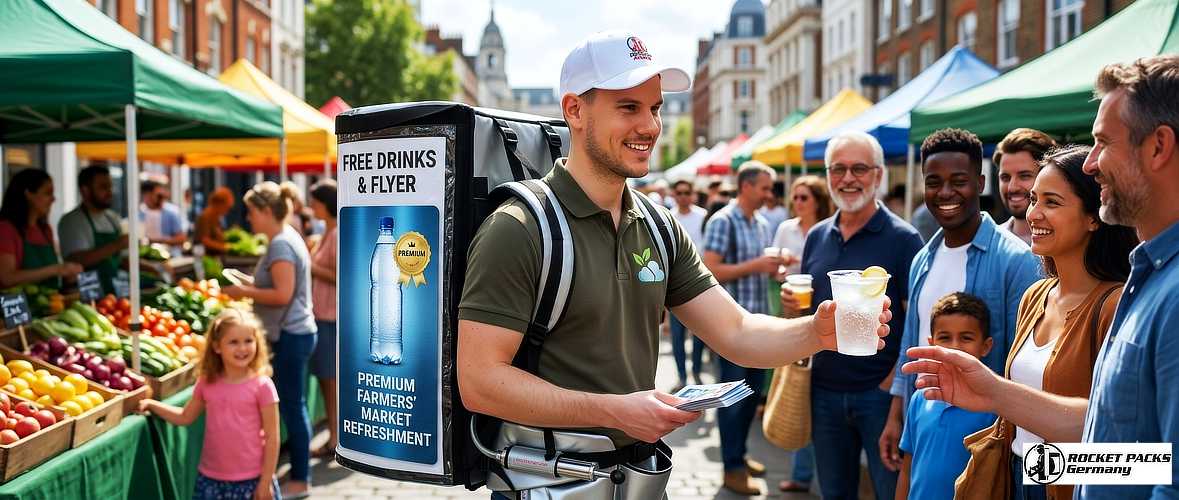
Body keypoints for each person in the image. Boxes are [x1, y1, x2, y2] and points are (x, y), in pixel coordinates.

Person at [457, 31, 893, 500]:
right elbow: (480, 383)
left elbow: (738, 333)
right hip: (543, 484)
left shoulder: (659, 225)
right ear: (575, 111)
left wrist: (817, 333)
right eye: (629, 107)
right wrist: (615, 411)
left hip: (639, 482)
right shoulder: (520, 227)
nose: (650, 125)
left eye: (656, 108)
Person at [901, 55, 1179, 499]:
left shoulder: (1152, 292)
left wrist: (1044, 466)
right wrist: (996, 397)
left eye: (1103, 142)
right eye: (1033, 199)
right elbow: (1122, 440)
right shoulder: (1146, 279)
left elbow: (1162, 473)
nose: (1092, 163)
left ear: (1159, 146)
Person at [946, 145, 1134, 500]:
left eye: (1052, 202)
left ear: (1094, 217)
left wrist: (1044, 464)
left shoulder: (1115, 305)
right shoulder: (1035, 296)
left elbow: (1125, 442)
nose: (1034, 213)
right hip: (1015, 475)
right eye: (1034, 199)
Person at [880, 128, 1041, 473]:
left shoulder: (1016, 260)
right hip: (924, 430)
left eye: (959, 180)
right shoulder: (922, 258)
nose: (946, 192)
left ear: (980, 183)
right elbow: (911, 342)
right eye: (934, 182)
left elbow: (1023, 367)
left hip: (984, 443)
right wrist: (897, 415)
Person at [781, 130, 924, 500]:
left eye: (859, 168)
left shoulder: (903, 239)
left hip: (877, 394)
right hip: (824, 391)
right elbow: (812, 313)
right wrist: (792, 308)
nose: (847, 178)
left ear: (878, 175)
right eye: (838, 169)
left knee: (890, 491)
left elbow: (919, 324)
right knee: (834, 493)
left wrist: (891, 388)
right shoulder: (816, 236)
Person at [223, 181, 317, 499]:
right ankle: (297, 472)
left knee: (292, 407)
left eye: (250, 212)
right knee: (294, 404)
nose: (248, 219)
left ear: (265, 211)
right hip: (294, 331)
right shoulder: (285, 238)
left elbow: (281, 294)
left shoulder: (280, 244)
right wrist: (246, 282)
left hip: (290, 334)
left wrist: (242, 291)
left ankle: (300, 480)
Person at [702, 161, 787, 495]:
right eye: (765, 188)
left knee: (750, 398)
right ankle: (731, 468)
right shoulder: (725, 220)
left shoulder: (762, 223)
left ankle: (740, 455)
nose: (770, 194)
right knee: (733, 402)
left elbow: (758, 271)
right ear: (747, 186)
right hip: (732, 331)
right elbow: (710, 270)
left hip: (758, 328)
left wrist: (777, 270)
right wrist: (757, 265)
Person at [139, 309, 280, 500]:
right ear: (216, 346)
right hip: (211, 479)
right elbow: (185, 417)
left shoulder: (262, 386)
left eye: (248, 340)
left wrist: (265, 482)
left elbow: (272, 437)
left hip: (252, 480)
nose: (242, 348)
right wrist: (152, 405)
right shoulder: (207, 383)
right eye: (233, 342)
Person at [896, 292, 996, 500]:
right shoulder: (920, 398)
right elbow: (907, 468)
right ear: (932, 343)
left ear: (986, 346)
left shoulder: (995, 405)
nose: (955, 347)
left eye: (966, 338)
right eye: (945, 338)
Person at [770, 174, 832, 494]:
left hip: (826, 322)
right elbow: (776, 270)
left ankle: (819, 475)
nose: (797, 202)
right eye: (795, 197)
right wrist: (783, 269)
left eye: (804, 197)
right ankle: (801, 472)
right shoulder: (785, 228)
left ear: (818, 200)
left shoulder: (829, 231)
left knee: (821, 400)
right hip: (797, 315)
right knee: (798, 393)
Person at [0, 169, 81, 289]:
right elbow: (6, 278)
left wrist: (68, 275)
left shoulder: (45, 229)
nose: (53, 199)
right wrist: (56, 269)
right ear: (28, 194)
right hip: (19, 306)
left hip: (52, 304)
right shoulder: (6, 229)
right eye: (48, 193)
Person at [58, 166, 129, 293]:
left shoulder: (112, 218)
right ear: (85, 190)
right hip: (87, 292)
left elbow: (121, 260)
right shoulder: (72, 221)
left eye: (110, 186)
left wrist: (152, 268)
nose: (110, 192)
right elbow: (76, 260)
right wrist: (116, 245)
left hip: (116, 289)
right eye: (103, 187)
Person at [307, 180, 338, 458]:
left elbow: (341, 277)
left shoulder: (337, 233)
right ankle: (334, 433)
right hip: (322, 313)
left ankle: (335, 437)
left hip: (330, 315)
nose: (310, 206)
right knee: (327, 379)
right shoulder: (326, 232)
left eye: (314, 201)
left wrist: (312, 266)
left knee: (330, 380)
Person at [668, 180, 708, 389]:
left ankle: (697, 371)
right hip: (674, 284)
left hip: (699, 282)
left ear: (693, 194)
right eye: (679, 192)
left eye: (687, 192)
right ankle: (682, 376)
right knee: (677, 336)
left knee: (700, 334)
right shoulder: (668, 217)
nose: (683, 196)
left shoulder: (702, 216)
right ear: (674, 194)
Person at [994, 128, 1058, 245]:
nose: (1012, 187)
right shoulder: (990, 243)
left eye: (1024, 176)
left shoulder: (1070, 242)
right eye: (1005, 177)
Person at [140, 177, 185, 252]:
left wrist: (158, 240)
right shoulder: (141, 214)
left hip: (169, 255)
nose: (162, 198)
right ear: (147, 195)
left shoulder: (171, 213)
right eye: (158, 195)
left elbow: (181, 238)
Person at [194, 187, 235, 255]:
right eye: (227, 207)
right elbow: (204, 240)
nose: (227, 211)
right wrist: (224, 247)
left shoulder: (216, 218)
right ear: (219, 203)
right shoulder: (205, 217)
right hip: (206, 259)